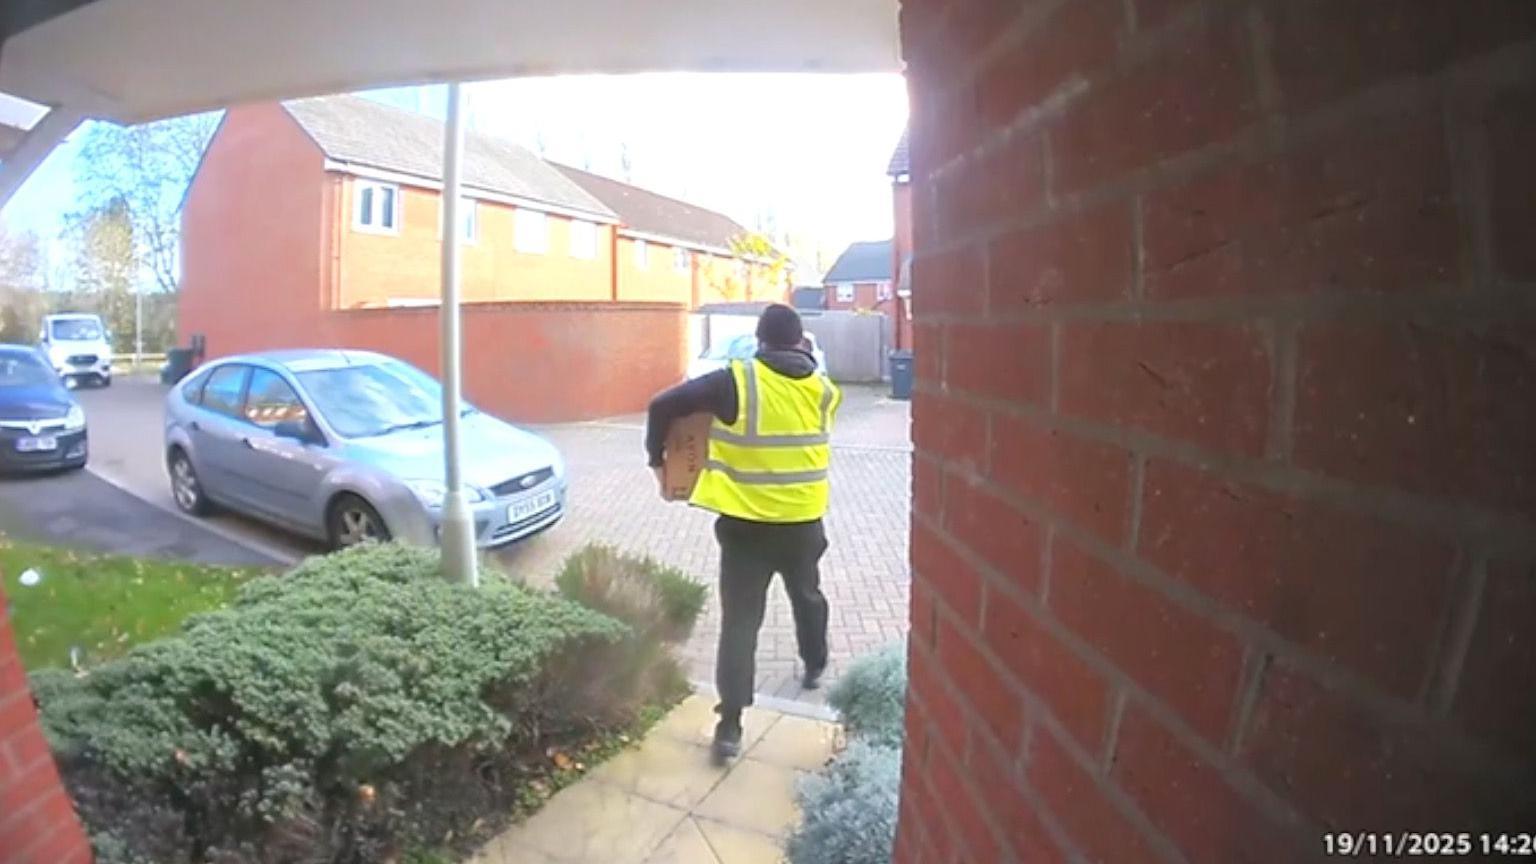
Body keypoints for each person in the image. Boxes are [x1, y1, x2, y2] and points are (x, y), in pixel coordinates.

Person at [645, 304, 843, 761]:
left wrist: (660, 462)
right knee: (808, 596)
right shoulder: (826, 391)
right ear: (800, 342)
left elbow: (662, 406)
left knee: (739, 625)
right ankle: (815, 664)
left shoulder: (736, 381)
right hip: (802, 523)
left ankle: (730, 727)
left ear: (760, 342)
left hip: (745, 530)